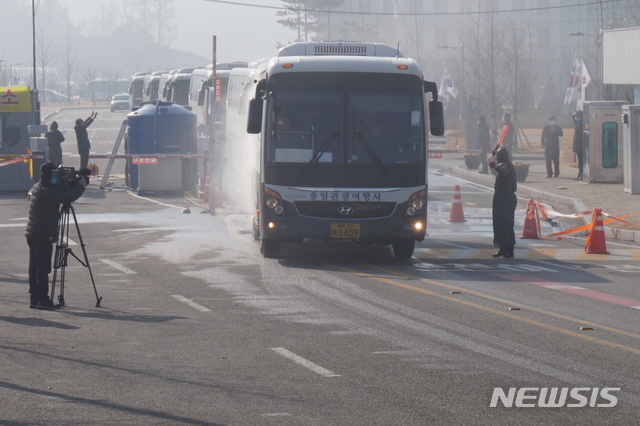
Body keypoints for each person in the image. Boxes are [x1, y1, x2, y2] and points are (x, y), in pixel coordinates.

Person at [25, 163, 87, 310]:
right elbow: (68, 196)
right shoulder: (48, 191)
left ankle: (35, 299)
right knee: (43, 268)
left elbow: (61, 195)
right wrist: (81, 186)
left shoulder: (37, 187)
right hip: (42, 234)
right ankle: (42, 300)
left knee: (34, 267)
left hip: (32, 233)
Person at [489, 146, 517, 258]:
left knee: (502, 223)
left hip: (503, 198)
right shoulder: (509, 164)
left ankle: (504, 247)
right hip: (508, 197)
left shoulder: (505, 166)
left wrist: (496, 167)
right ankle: (509, 249)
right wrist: (495, 157)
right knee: (508, 224)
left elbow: (503, 171)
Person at [572, 110, 584, 181]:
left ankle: (581, 174)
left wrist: (573, 116)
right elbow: (575, 122)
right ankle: (580, 174)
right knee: (580, 161)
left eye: (577, 116)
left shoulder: (580, 124)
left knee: (580, 161)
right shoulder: (580, 123)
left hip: (579, 145)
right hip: (578, 145)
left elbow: (576, 123)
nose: (576, 117)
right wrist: (573, 116)